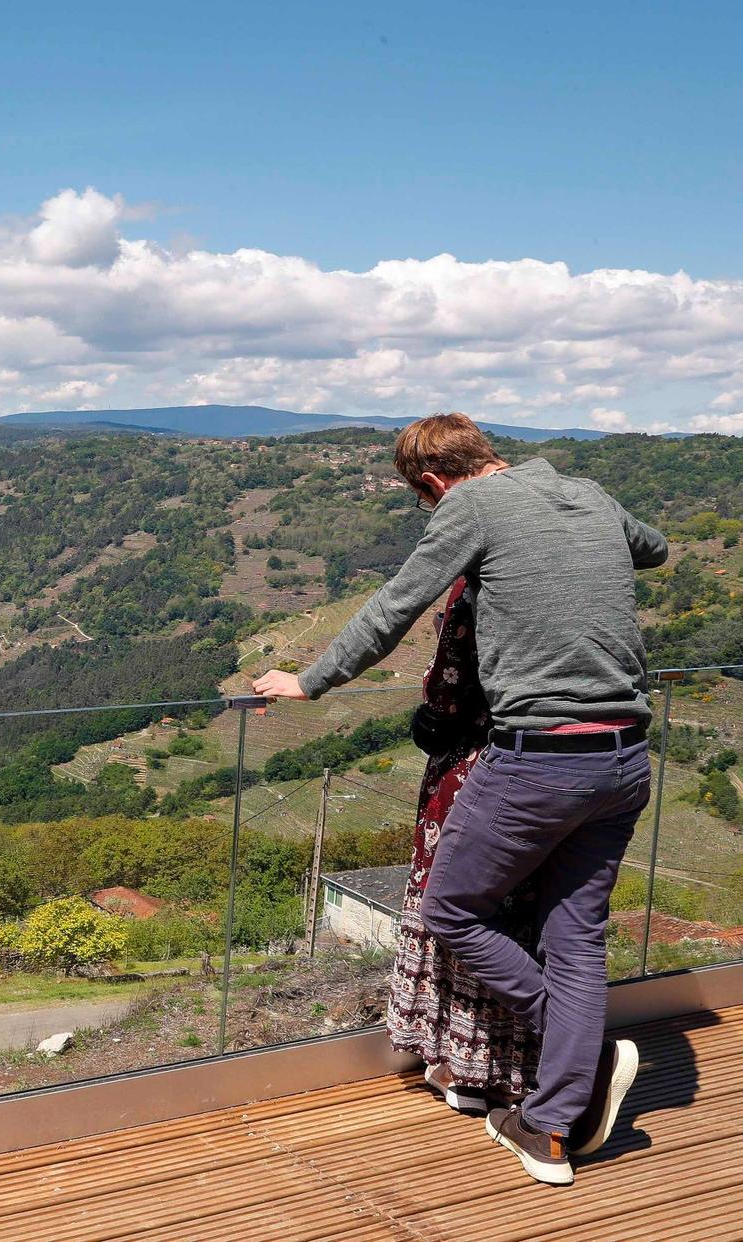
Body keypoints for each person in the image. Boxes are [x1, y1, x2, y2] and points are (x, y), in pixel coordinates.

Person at [254, 412, 667, 1186]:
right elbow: (656, 549)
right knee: (576, 937)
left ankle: (585, 1055)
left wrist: (307, 680)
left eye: (424, 499)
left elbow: (394, 607)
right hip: (626, 757)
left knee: (451, 909)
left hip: (536, 760)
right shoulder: (587, 492)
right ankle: (546, 1129)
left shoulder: (469, 507)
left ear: (434, 482)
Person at [390, 575, 539, 1114]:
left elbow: (446, 693)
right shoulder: (572, 578)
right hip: (557, 770)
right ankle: (523, 1065)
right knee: (523, 914)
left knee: (455, 908)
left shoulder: (474, 584)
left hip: (479, 769)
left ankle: (467, 1067)